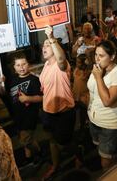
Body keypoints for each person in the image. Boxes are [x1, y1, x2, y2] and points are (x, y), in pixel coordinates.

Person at [39, 26, 77, 179]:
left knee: (64, 142)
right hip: (48, 112)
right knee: (52, 140)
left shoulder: (62, 64)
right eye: (43, 45)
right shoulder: (46, 66)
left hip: (64, 112)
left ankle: (77, 154)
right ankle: (55, 166)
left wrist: (51, 37)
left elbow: (61, 59)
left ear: (55, 48)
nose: (44, 47)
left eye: (47, 45)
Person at [87, 40, 117, 170]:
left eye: (101, 55)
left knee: (107, 161)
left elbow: (107, 101)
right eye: (96, 55)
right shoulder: (98, 69)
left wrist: (98, 77)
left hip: (109, 124)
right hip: (94, 120)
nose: (97, 59)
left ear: (112, 56)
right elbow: (92, 92)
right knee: (101, 150)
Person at [0, 53, 42, 165]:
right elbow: (3, 93)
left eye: (24, 64)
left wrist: (28, 98)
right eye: (18, 65)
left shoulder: (34, 80)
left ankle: (38, 152)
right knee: (24, 138)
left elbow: (41, 97)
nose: (21, 67)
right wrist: (1, 83)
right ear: (14, 67)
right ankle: (29, 158)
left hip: (29, 115)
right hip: (17, 115)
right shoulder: (12, 79)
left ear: (28, 65)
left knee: (25, 139)